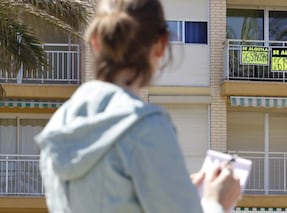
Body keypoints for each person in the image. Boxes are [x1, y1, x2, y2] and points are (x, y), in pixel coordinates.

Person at [34, 0, 241, 212]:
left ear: (95, 42)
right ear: (160, 44)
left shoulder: (57, 127)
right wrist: (217, 202)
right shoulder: (145, 127)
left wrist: (174, 188)